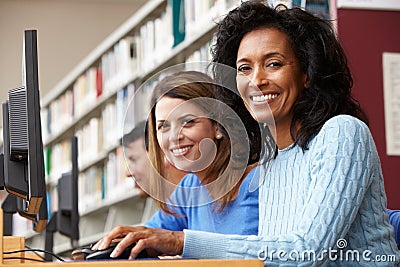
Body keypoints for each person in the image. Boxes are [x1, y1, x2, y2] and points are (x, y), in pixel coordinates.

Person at [93, 2, 400, 265]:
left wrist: (180, 242)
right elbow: (269, 254)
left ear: (307, 73)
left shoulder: (342, 132)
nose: (257, 80)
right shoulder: (272, 164)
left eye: (274, 64)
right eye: (244, 68)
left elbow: (306, 252)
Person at [93, 71, 261, 256]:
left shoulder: (257, 183)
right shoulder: (190, 187)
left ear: (219, 127)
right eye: (163, 126)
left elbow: (264, 252)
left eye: (188, 122)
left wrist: (180, 242)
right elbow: (151, 235)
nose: (174, 137)